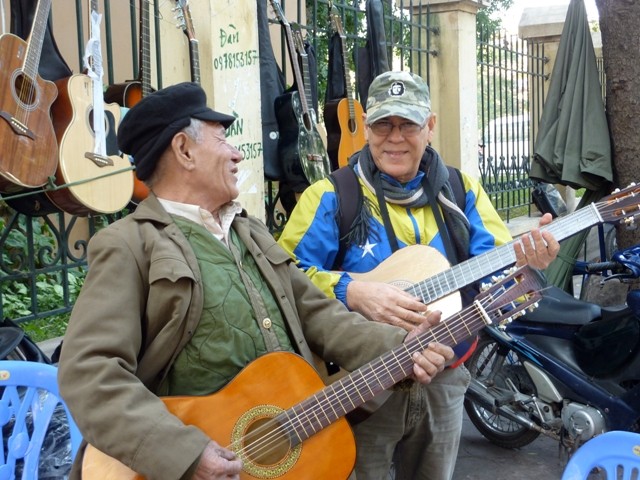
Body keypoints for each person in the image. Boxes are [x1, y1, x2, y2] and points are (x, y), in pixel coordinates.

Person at [56, 81, 456, 480]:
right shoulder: (129, 244)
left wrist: (400, 346)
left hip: (287, 455)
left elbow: (317, 313)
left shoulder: (250, 232)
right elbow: (90, 371)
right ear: (183, 150)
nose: (236, 153)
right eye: (222, 139)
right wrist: (185, 454)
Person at [277, 70, 560, 480]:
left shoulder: (462, 192)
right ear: (367, 128)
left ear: (429, 126)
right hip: (358, 384)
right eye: (382, 125)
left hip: (444, 379)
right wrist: (351, 290)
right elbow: (286, 278)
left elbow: (501, 276)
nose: (394, 138)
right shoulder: (331, 196)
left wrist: (527, 263)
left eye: (407, 124)